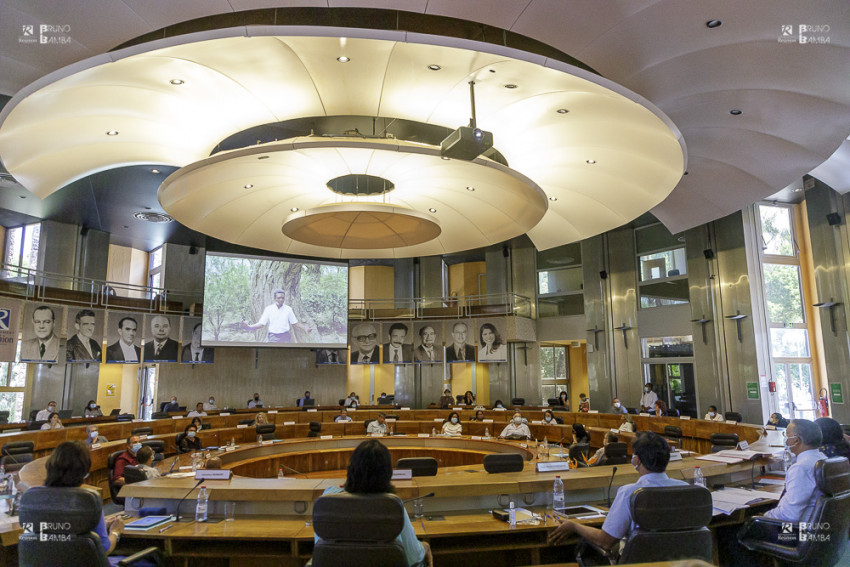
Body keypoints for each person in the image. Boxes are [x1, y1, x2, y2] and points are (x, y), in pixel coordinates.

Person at [549, 431, 687, 549]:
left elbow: (605, 541)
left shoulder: (629, 493)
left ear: (637, 460)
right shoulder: (687, 489)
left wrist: (574, 526)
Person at [315, 439, 432, 567]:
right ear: (388, 473)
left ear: (351, 468)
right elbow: (414, 557)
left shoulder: (328, 498)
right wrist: (425, 546)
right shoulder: (392, 505)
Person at [44, 441, 125, 556]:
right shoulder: (88, 500)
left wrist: (99, 524)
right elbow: (104, 549)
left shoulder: (32, 497)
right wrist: (115, 532)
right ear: (84, 470)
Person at [242, 289, 311, 343]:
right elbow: (261, 324)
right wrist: (249, 327)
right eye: (279, 298)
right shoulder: (269, 309)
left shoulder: (288, 309)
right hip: (273, 337)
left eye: (282, 298)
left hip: (285, 337)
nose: (281, 300)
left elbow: (295, 323)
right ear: (275, 298)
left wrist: (305, 328)